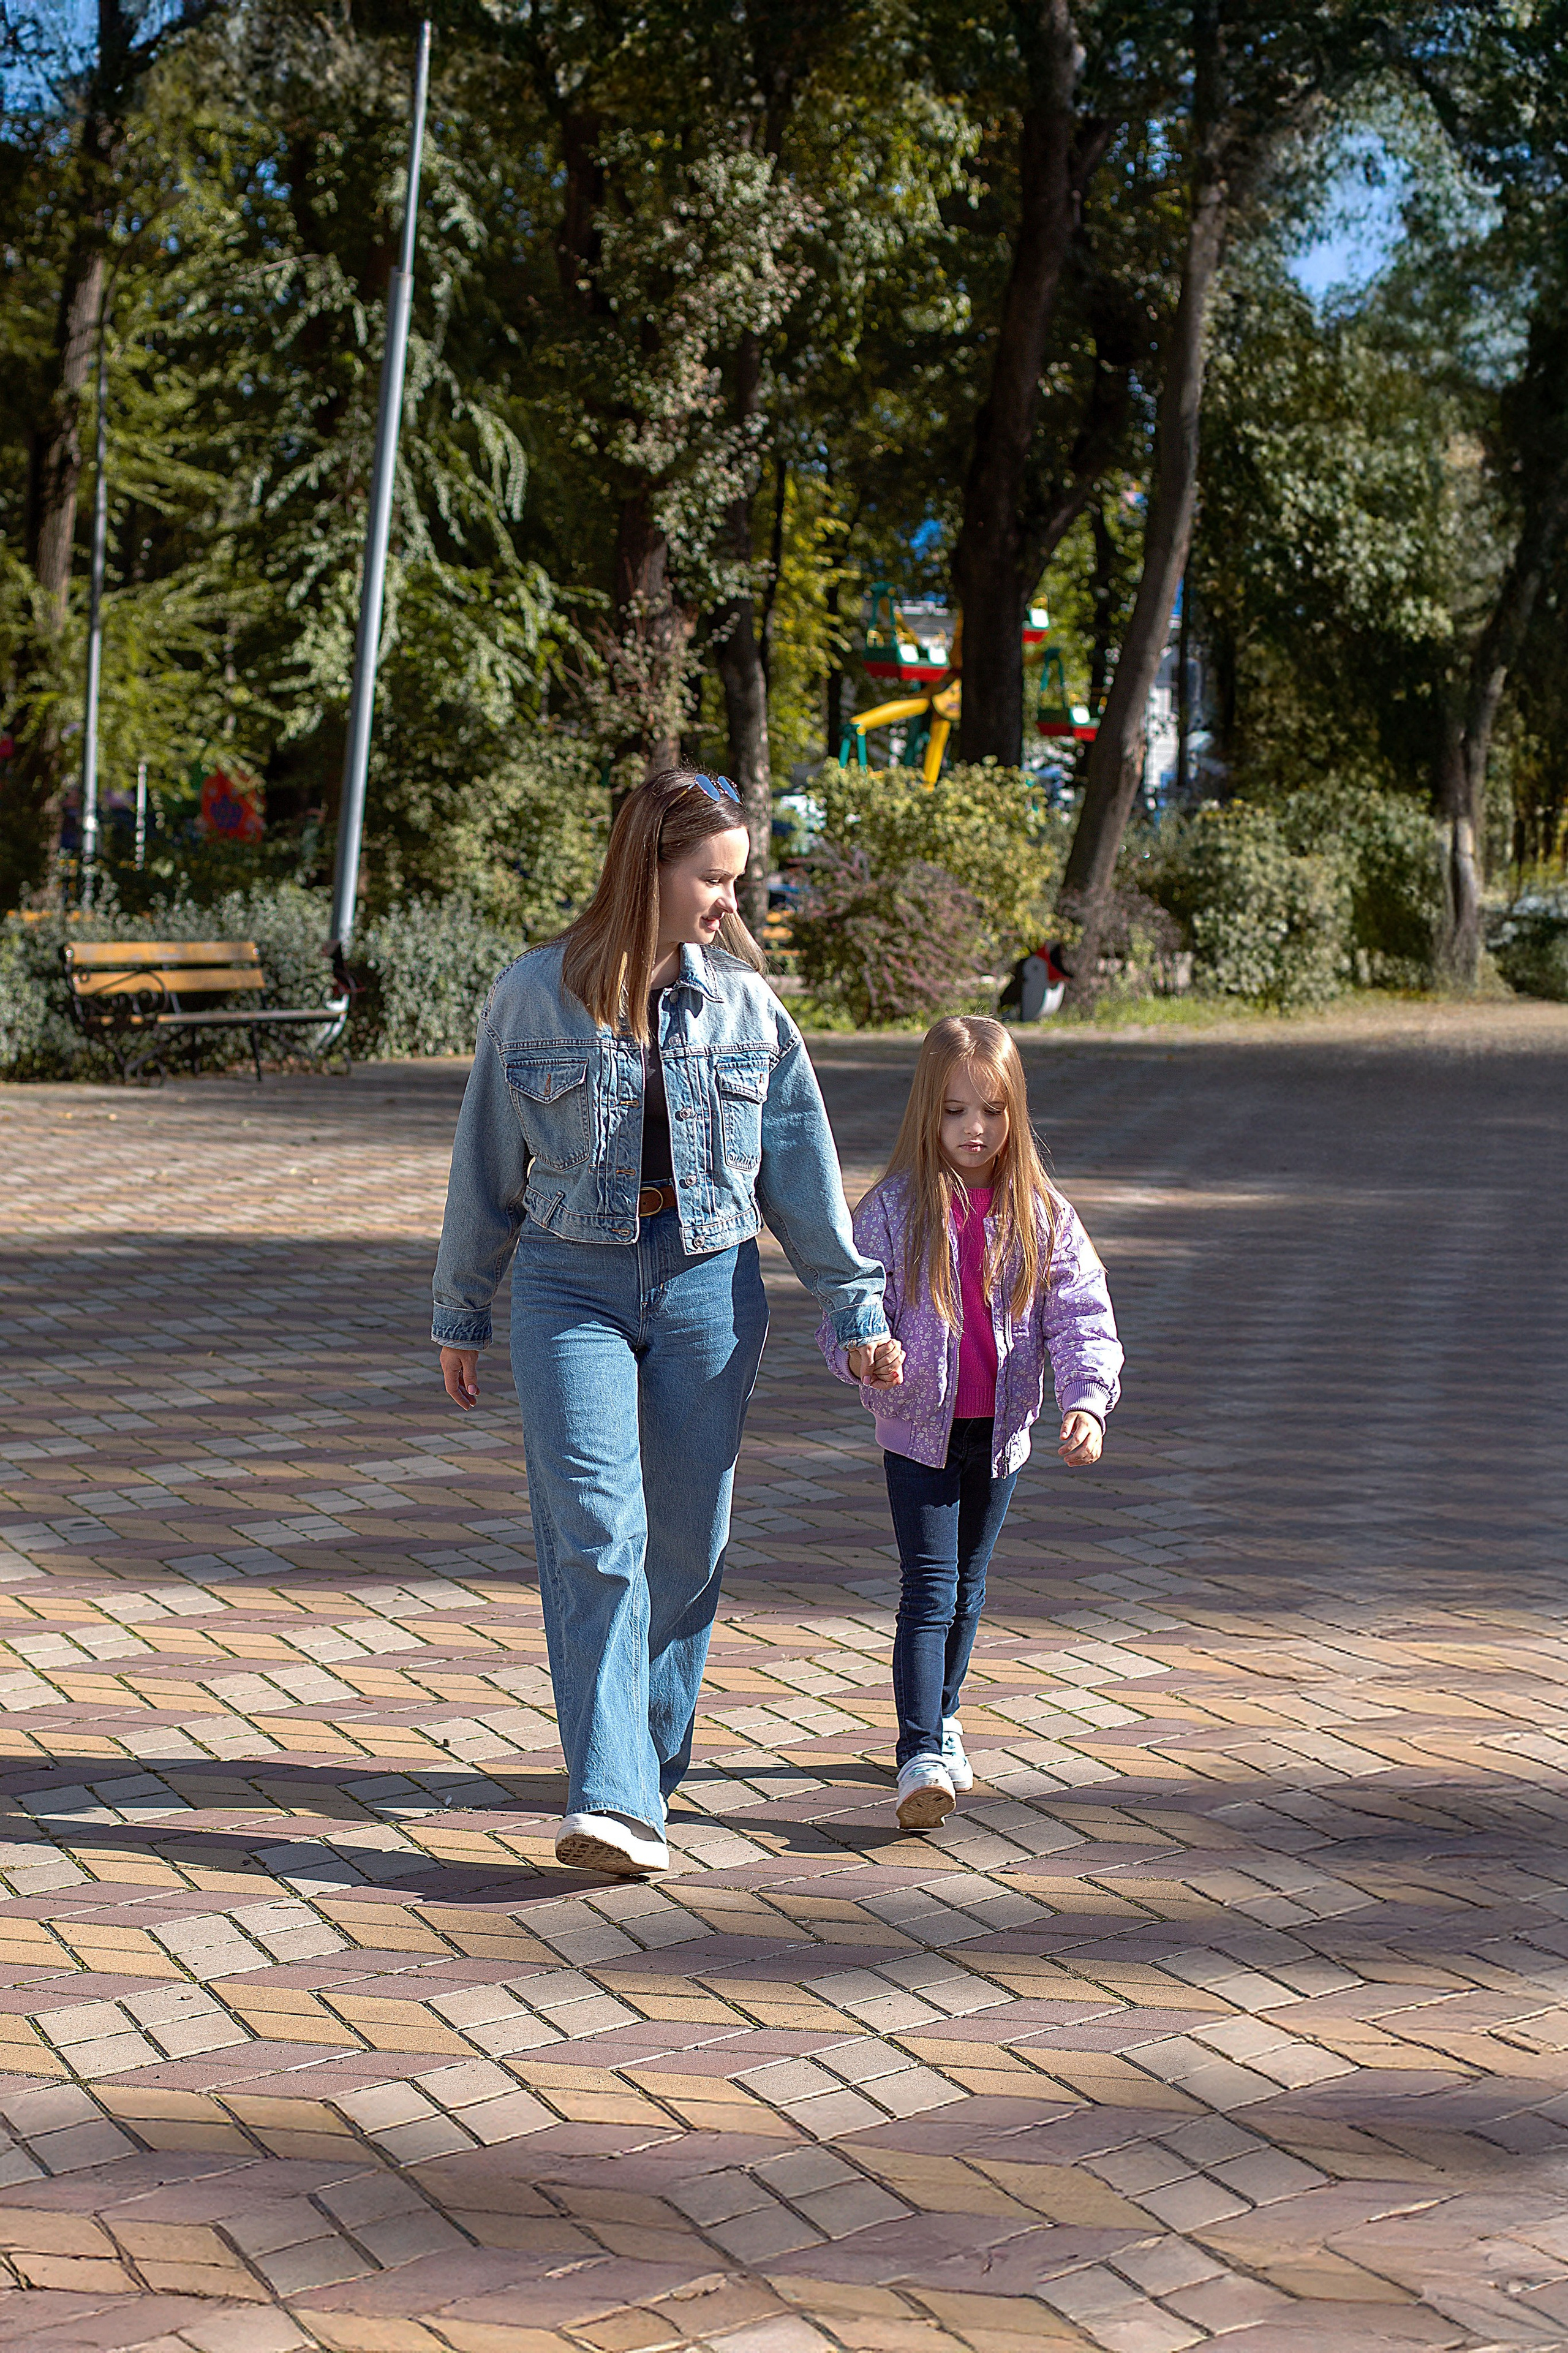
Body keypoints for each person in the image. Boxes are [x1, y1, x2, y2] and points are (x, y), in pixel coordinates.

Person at [432, 768, 903, 1879]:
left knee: (688, 1545)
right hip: (569, 1286)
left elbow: (802, 1174)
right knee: (599, 1533)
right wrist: (463, 1308)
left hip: (709, 1288)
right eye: (713, 877)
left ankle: (647, 1763)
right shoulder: (534, 993)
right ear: (647, 866)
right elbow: (483, 1162)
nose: (730, 902)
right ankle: (612, 1797)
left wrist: (857, 1307)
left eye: (735, 880)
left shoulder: (747, 1006)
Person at [818, 1015, 1122, 1830]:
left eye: (990, 1110)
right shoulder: (892, 1210)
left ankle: (945, 1713)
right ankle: (919, 1751)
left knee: (969, 1587)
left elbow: (1081, 1312)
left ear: (1014, 1111)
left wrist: (1086, 1400)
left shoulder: (1041, 1213)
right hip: (917, 1433)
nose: (973, 1128)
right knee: (929, 1588)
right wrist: (866, 1352)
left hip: (1000, 1436)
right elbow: (848, 1308)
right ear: (928, 1111)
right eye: (954, 1111)